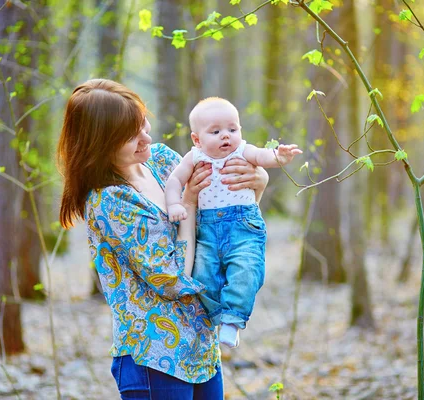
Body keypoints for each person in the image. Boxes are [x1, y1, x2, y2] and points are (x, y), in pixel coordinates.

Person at [56, 79, 268, 399]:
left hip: (201, 346)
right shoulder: (110, 201)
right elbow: (171, 277)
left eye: (143, 124)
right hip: (155, 358)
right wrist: (190, 203)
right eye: (132, 134)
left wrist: (259, 182)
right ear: (101, 142)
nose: (147, 137)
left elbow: (221, 227)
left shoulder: (161, 160)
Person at [164, 97, 302, 348]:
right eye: (215, 132)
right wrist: (174, 203)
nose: (226, 136)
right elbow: (174, 181)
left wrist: (279, 157)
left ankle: (233, 320)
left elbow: (262, 156)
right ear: (197, 139)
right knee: (203, 275)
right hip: (207, 229)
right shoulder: (193, 157)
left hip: (243, 226)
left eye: (232, 129)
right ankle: (218, 315)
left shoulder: (242, 150)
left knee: (246, 270)